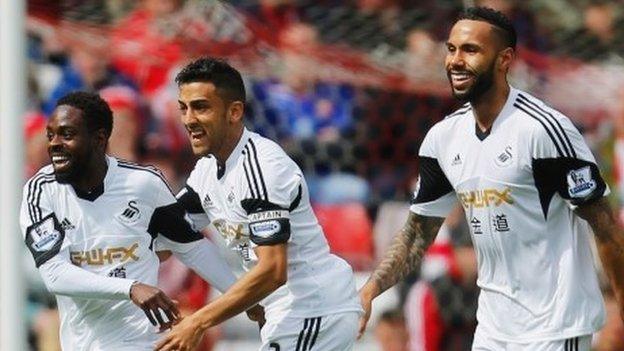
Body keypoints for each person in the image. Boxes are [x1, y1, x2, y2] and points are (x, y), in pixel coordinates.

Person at [358, 6, 624, 351]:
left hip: (555, 330)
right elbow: (416, 234)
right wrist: (370, 289)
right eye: (451, 49)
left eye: (470, 50)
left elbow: (605, 228)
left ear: (504, 59)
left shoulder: (543, 130)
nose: (455, 60)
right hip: (492, 333)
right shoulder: (443, 138)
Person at [155, 58, 363, 351]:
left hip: (311, 309)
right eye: (183, 108)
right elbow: (169, 236)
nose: (189, 119)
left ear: (235, 111)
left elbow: (273, 270)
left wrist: (198, 321)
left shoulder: (262, 167)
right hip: (288, 315)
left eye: (201, 107)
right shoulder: (205, 171)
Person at [20, 91, 244, 350]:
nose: (54, 144)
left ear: (99, 138)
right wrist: (131, 288)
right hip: (83, 342)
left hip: (143, 341)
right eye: (51, 135)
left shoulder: (144, 184)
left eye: (66, 135)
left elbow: (193, 248)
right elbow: (55, 276)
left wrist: (243, 298)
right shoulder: (42, 191)